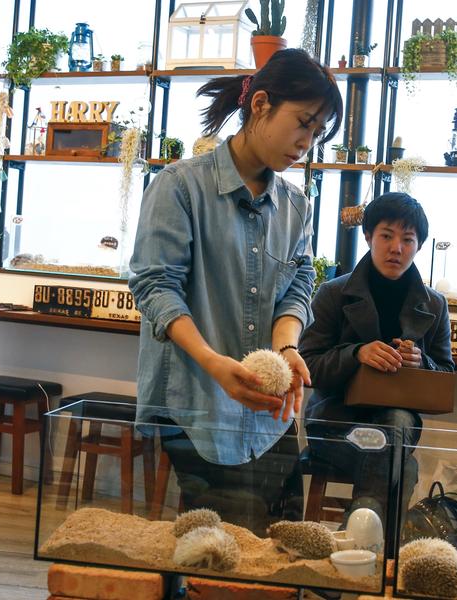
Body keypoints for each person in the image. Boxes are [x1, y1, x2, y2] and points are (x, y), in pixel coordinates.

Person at [128, 49, 343, 534]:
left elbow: (298, 283)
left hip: (271, 412)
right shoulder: (180, 187)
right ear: (261, 104)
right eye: (303, 123)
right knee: (217, 551)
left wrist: (287, 345)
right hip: (199, 400)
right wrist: (214, 364)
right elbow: (155, 286)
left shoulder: (295, 206)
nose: (307, 143)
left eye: (317, 132)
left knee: (279, 547)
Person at [298, 192, 455, 533]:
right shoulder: (333, 293)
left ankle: (353, 540)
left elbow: (445, 376)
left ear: (418, 246)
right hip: (336, 424)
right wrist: (356, 354)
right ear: (368, 236)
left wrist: (422, 362)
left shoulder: (435, 305)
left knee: (395, 426)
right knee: (404, 467)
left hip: (396, 426)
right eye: (386, 236)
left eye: (408, 239)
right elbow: (307, 366)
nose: (396, 248)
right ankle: (368, 546)